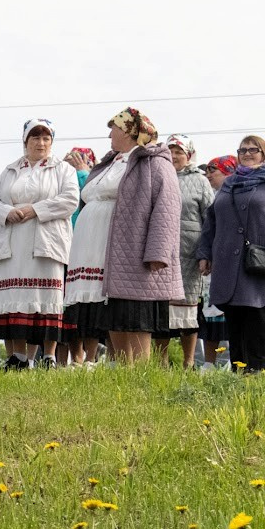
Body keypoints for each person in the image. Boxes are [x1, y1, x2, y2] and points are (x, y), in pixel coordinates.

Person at [62, 108, 181, 364]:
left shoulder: (154, 162)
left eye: (113, 129)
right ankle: (120, 368)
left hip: (132, 249)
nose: (109, 135)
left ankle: (139, 372)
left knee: (135, 313)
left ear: (129, 131)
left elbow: (167, 208)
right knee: (114, 311)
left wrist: (159, 251)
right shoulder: (111, 162)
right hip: (100, 251)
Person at [0, 119, 78, 369]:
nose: (41, 143)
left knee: (44, 297)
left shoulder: (62, 169)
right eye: (35, 138)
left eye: (46, 138)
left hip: (45, 242)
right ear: (25, 141)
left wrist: (35, 209)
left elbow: (70, 200)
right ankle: (19, 356)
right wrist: (7, 212)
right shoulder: (10, 170)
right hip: (13, 241)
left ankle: (48, 356)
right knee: (16, 296)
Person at [198, 135, 265, 374]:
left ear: (263, 154)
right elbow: (211, 221)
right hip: (227, 262)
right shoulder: (228, 185)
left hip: (257, 264)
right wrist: (204, 253)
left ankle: (257, 372)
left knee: (256, 318)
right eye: (242, 150)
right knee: (234, 318)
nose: (247, 154)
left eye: (253, 150)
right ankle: (239, 373)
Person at [157, 134, 214, 367]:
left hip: (189, 251)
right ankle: (161, 362)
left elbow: (210, 219)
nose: (173, 156)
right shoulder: (158, 175)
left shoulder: (200, 180)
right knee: (161, 307)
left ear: (188, 155)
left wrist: (206, 252)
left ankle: (188, 362)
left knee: (188, 306)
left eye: (179, 152)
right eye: (169, 151)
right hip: (161, 250)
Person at [58, 146, 99, 365]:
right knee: (68, 309)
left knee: (88, 304)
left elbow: (91, 196)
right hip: (64, 248)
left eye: (80, 161)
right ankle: (73, 359)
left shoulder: (95, 177)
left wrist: (83, 172)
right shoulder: (60, 178)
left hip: (88, 247)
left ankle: (90, 358)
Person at [197, 155, 238, 367]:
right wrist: (205, 254)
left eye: (214, 170)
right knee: (211, 315)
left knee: (236, 315)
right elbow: (208, 230)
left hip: (236, 263)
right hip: (216, 263)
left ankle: (235, 361)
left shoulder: (241, 195)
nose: (209, 175)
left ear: (229, 172)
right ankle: (209, 364)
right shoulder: (214, 198)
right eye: (207, 171)